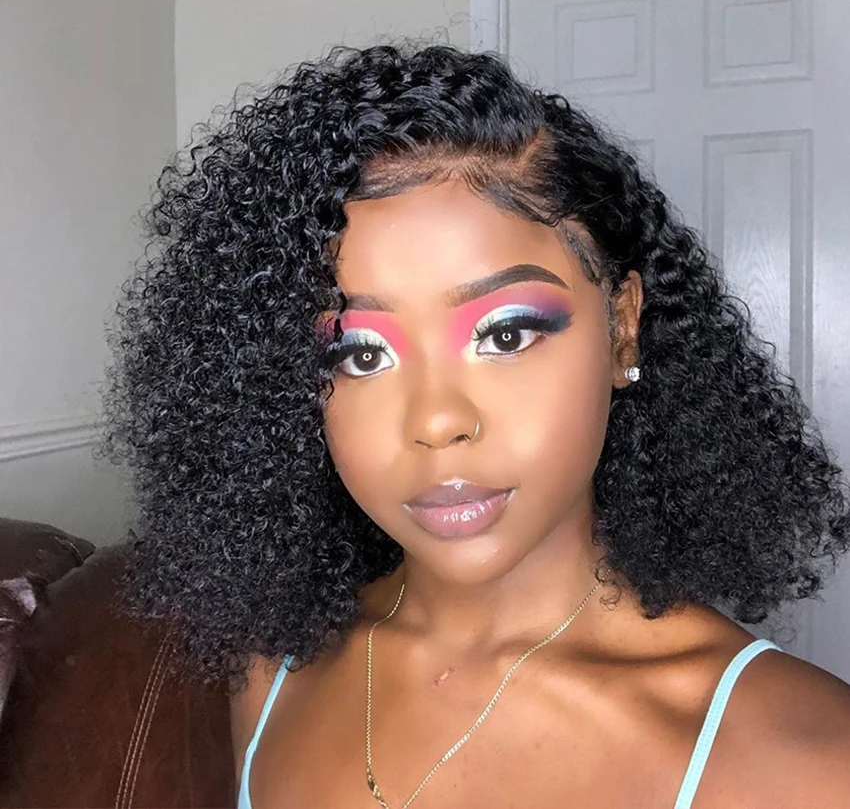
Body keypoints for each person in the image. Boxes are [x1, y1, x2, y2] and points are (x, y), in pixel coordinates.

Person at [98, 43, 850, 808]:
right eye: (361, 353)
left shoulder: (801, 761)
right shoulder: (273, 673)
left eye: (507, 334)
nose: (436, 421)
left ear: (622, 328)